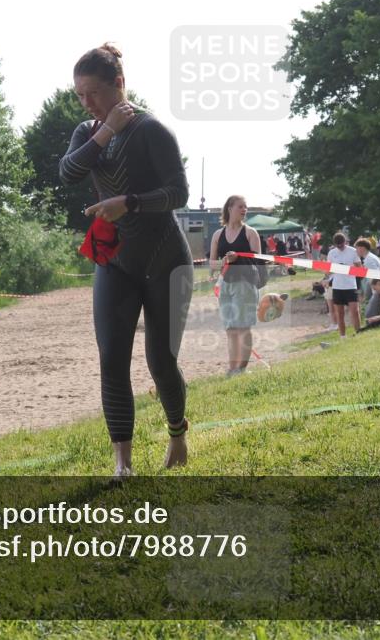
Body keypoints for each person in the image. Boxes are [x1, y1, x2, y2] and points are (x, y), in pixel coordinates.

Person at [59, 44, 193, 476]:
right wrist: (103, 132)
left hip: (165, 259)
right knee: (112, 360)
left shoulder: (152, 130)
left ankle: (177, 433)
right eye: (79, 95)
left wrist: (130, 202)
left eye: (93, 93)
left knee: (161, 361)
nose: (87, 103)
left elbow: (178, 193)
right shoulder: (86, 132)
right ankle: (123, 464)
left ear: (118, 83)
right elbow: (68, 172)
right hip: (115, 261)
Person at [209, 196, 262, 376]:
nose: (244, 209)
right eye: (240, 206)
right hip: (225, 285)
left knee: (243, 327)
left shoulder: (250, 233)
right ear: (229, 208)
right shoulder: (218, 235)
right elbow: (212, 264)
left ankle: (242, 369)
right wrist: (224, 261)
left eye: (246, 207)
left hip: (245, 284)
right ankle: (232, 369)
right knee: (230, 329)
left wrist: (238, 257)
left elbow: (258, 261)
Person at [327, 233, 361, 337]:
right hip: (337, 286)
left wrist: (348, 269)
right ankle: (342, 336)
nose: (340, 247)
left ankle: (359, 333)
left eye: (341, 244)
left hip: (351, 285)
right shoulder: (331, 253)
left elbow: (359, 268)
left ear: (345, 242)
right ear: (335, 244)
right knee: (340, 313)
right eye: (338, 245)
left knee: (355, 311)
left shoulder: (353, 251)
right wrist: (335, 269)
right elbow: (328, 271)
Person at [354, 238, 380, 319]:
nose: (356, 251)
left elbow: (376, 277)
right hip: (379, 289)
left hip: (379, 290)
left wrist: (377, 291)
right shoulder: (370, 257)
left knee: (370, 315)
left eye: (357, 248)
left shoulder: (369, 260)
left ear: (362, 248)